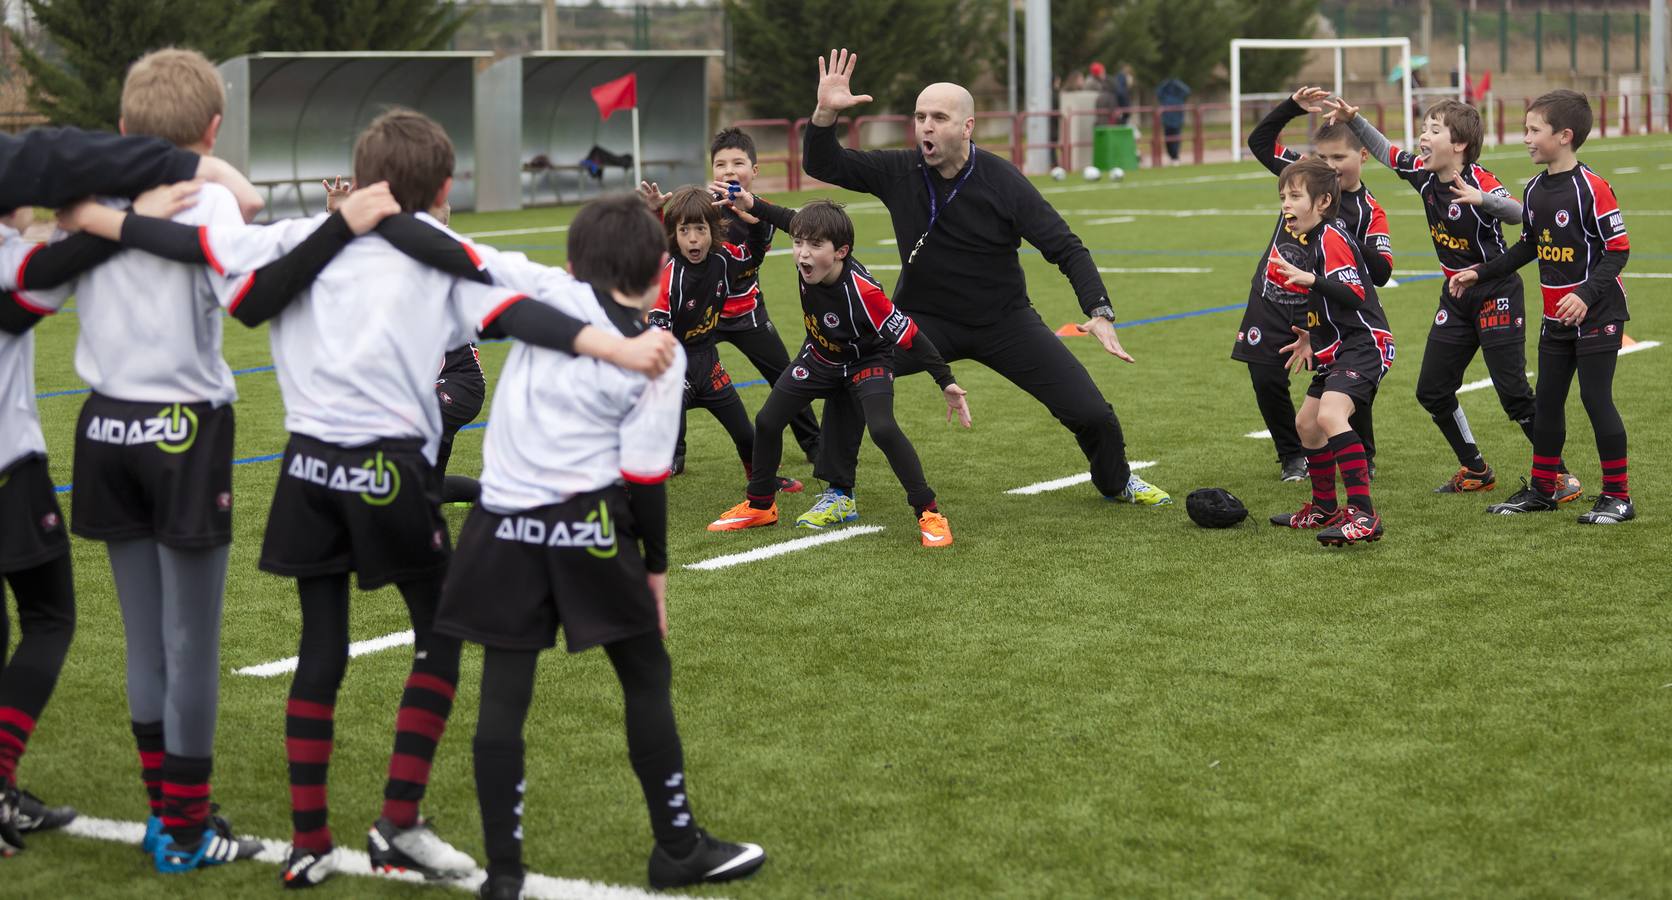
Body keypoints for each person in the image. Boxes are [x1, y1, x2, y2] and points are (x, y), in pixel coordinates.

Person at [67, 107, 676, 887]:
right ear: (446, 187)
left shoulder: (295, 240)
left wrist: (98, 220)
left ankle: (309, 841)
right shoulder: (445, 259)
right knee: (440, 638)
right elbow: (532, 303)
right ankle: (398, 820)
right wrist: (618, 340)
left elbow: (195, 245)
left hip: (307, 471)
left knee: (320, 653)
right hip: (390, 474)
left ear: (358, 179)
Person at [428, 194, 766, 899]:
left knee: (503, 693)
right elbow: (645, 480)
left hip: (501, 527)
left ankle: (504, 873)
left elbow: (470, 278)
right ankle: (676, 847)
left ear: (576, 261)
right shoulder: (660, 352)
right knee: (645, 676)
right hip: (588, 525)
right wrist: (657, 575)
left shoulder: (547, 288)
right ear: (657, 271)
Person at [37, 49, 279, 873]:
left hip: (102, 429)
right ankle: (186, 828)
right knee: (191, 643)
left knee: (146, 641)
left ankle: (164, 817)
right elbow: (246, 285)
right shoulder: (208, 193)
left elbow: (38, 287)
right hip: (182, 429)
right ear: (212, 131)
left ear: (121, 130)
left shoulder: (90, 196)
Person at [800, 49, 1169, 515]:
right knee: (851, 368)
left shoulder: (1002, 181)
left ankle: (1116, 481)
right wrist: (825, 113)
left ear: (967, 127)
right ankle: (838, 491)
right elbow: (824, 163)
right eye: (919, 117)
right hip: (921, 320)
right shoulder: (898, 170)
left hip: (1004, 322)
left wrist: (1099, 312)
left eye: (939, 117)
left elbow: (1066, 247)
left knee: (1092, 413)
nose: (926, 127)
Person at [1327, 93, 1582, 502]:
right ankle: (1476, 469)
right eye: (1423, 129)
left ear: (1459, 144)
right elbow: (1385, 151)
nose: (1422, 138)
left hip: (1496, 292)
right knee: (1432, 390)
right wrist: (1355, 121)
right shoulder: (1424, 176)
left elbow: (1519, 213)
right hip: (1456, 297)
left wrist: (1483, 200)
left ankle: (1559, 475)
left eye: (1433, 130)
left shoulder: (1479, 180)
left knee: (1514, 394)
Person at [0, 207, 146, 855]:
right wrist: (123, 218)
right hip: (8, 470)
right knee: (50, 617)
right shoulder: (11, 254)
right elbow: (49, 274)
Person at [706, 193, 970, 545]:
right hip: (820, 356)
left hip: (867, 361)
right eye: (798, 243)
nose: (802, 252)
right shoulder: (809, 260)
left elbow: (911, 336)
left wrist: (946, 382)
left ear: (841, 251)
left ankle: (929, 512)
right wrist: (751, 202)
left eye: (815, 245)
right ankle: (761, 505)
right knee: (768, 420)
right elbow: (786, 217)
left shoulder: (864, 291)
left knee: (883, 429)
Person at [1449, 91, 1635, 524]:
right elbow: (1528, 247)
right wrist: (1482, 272)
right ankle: (1542, 489)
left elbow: (1618, 250)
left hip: (1598, 314)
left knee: (1594, 398)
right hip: (1556, 318)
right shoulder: (1533, 190)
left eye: (1534, 130)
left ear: (1564, 136)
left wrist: (1586, 295)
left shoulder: (1593, 187)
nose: (1526, 138)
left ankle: (1618, 497)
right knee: (1548, 401)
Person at [1241, 86, 1392, 482]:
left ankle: (1363, 453)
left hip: (1324, 303)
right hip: (1272, 296)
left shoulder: (1369, 211)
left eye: (1338, 158)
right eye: (1323, 157)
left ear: (1362, 157)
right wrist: (1290, 107)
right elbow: (1258, 142)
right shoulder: (1304, 177)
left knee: (1346, 380)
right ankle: (1292, 455)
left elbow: (1382, 272)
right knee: (1264, 374)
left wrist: (1341, 235)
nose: (1330, 166)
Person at [326, 177, 485, 505]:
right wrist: (339, 217)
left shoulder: (446, 258)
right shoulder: (404, 260)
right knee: (429, 491)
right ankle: (500, 499)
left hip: (459, 384)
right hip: (427, 384)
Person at [1265, 159, 1395, 546]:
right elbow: (1323, 303)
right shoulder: (1311, 239)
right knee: (1307, 424)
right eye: (1282, 197)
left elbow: (1353, 293)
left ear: (1322, 201)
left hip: (1366, 343)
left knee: (1330, 414)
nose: (1286, 205)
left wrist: (1311, 279)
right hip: (1338, 346)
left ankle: (1363, 514)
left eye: (1294, 197)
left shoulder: (1331, 237)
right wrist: (1308, 335)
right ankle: (1324, 507)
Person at [645, 185, 800, 493]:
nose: (693, 238)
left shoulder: (723, 260)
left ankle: (761, 479)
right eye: (684, 230)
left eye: (700, 229)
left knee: (746, 434)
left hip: (710, 366)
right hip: (676, 367)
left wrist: (756, 223)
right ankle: (624, 485)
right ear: (673, 234)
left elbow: (753, 258)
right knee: (654, 434)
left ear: (713, 231)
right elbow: (656, 333)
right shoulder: (669, 275)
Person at [707, 128, 821, 464]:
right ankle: (675, 453)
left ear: (754, 171)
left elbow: (751, 257)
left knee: (786, 378)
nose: (729, 171)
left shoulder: (764, 213)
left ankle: (815, 444)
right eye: (720, 164)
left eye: (738, 163)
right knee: (678, 377)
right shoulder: (702, 209)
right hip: (704, 315)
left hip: (747, 314)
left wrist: (747, 215)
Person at [1155, 76, 1190, 165]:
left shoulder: (1179, 95)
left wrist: (1177, 82)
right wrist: (1166, 82)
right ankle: (1171, 157)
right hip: (1167, 121)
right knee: (1168, 141)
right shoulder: (1164, 96)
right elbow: (1158, 91)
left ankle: (1175, 157)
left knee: (1176, 140)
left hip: (1177, 121)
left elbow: (1187, 90)